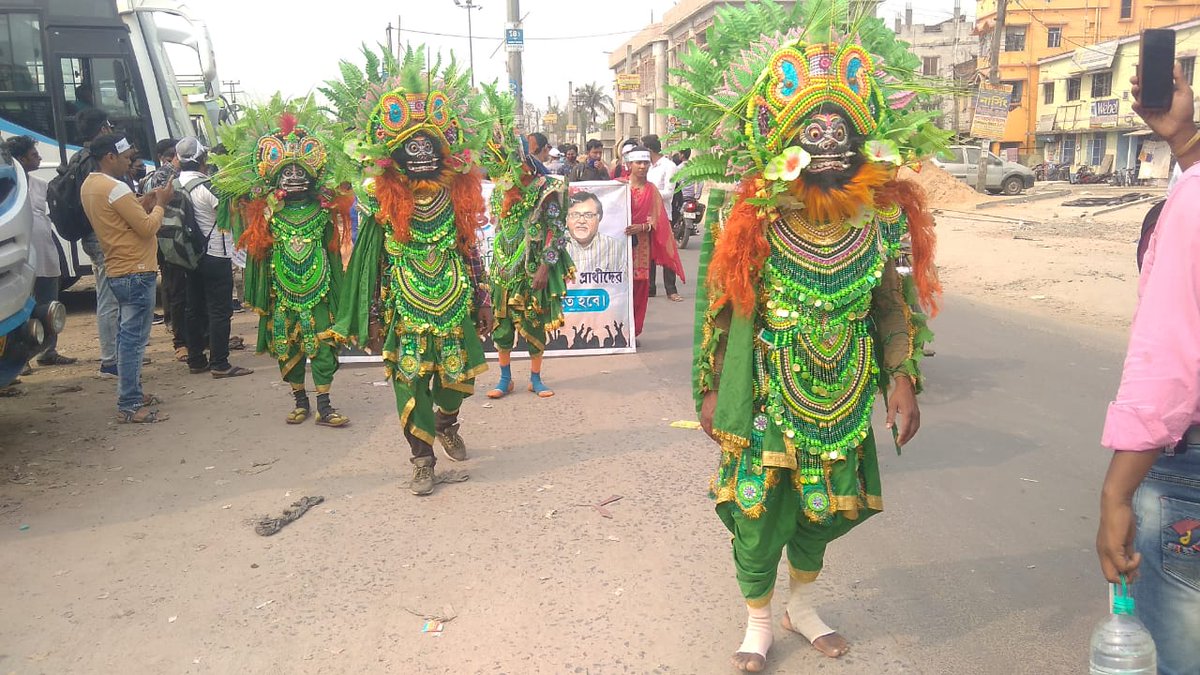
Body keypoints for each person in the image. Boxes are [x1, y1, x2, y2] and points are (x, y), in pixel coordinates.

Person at [675, 11, 942, 669]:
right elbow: (720, 311)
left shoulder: (878, 217)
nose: (827, 143)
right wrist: (711, 388)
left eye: (840, 132)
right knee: (763, 509)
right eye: (812, 132)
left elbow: (891, 307)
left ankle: (805, 605)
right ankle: (760, 618)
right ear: (784, 138)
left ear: (862, 142)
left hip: (844, 394)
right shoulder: (753, 215)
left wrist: (901, 377)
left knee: (822, 511)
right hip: (771, 392)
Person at [328, 48, 493, 497]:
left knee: (458, 380)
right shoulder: (381, 205)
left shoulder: (458, 200)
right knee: (411, 381)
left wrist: (484, 299)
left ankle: (448, 421)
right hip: (404, 307)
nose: (420, 155)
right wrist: (375, 317)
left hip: (454, 301)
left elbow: (471, 250)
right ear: (393, 157)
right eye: (410, 149)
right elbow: (374, 265)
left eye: (429, 147)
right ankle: (422, 460)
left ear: (445, 153)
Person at [1097, 61, 1200, 675]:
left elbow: (1173, 358)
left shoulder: (1191, 207)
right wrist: (1182, 139)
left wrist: (1116, 493)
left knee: (1181, 653)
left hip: (1188, 460)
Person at [212, 102, 352, 427]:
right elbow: (257, 254)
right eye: (286, 173)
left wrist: (339, 293)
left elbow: (333, 252)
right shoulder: (268, 214)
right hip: (282, 293)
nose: (293, 178)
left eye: (299, 172)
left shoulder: (323, 212)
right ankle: (300, 400)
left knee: (322, 345)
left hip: (319, 291)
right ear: (275, 178)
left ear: (312, 175)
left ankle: (325, 404)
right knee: (287, 347)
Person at [479, 85, 574, 399]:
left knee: (533, 323)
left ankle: (536, 377)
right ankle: (504, 378)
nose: (507, 172)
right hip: (503, 270)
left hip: (532, 268)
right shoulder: (499, 192)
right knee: (503, 327)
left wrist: (545, 267)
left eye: (511, 164)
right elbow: (496, 226)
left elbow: (556, 230)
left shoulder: (546, 188)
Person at [80, 134, 173, 423]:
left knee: (125, 337)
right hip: (136, 269)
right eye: (125, 158)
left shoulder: (91, 185)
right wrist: (161, 204)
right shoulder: (115, 188)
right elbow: (146, 228)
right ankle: (130, 403)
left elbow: (122, 217)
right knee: (134, 340)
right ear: (110, 157)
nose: (129, 163)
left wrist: (142, 201)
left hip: (118, 267)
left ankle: (131, 391)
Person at [177, 136, 253, 379]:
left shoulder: (174, 183)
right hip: (214, 254)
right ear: (203, 159)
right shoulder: (207, 186)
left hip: (187, 255)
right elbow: (229, 217)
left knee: (193, 306)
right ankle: (219, 363)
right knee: (219, 310)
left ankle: (196, 359)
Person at [59, 109, 119, 377]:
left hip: (90, 234)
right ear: (103, 128)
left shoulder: (77, 157)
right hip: (100, 234)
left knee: (110, 295)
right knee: (109, 298)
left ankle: (117, 353)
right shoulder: (94, 161)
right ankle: (110, 360)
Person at [7, 135, 77, 367]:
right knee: (19, 308)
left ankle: (48, 351)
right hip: (18, 259)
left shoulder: (40, 185)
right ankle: (19, 358)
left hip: (45, 254)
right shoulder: (7, 186)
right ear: (20, 159)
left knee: (49, 305)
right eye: (34, 155)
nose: (39, 158)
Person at [619, 147, 684, 337]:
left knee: (639, 289)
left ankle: (633, 332)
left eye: (645, 162)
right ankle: (617, 330)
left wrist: (642, 227)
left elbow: (657, 220)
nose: (642, 166)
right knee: (619, 287)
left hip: (641, 247)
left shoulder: (651, 190)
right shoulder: (618, 186)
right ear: (629, 165)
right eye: (638, 162)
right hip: (619, 246)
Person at [145, 138, 189, 361]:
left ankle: (189, 337)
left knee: (179, 290)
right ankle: (180, 340)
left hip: (174, 241)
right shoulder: (165, 176)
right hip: (171, 241)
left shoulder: (177, 174)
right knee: (176, 290)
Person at [644, 134, 682, 302]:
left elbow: (669, 192)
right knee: (648, 253)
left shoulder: (669, 166)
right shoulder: (647, 167)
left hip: (663, 215)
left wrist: (648, 193)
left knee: (667, 252)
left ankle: (671, 289)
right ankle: (650, 288)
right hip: (646, 214)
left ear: (649, 150)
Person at [564, 190, 626, 274]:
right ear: (567, 219)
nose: (582, 221)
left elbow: (623, 284)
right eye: (575, 215)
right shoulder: (556, 246)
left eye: (588, 215)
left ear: (599, 218)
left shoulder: (616, 247)